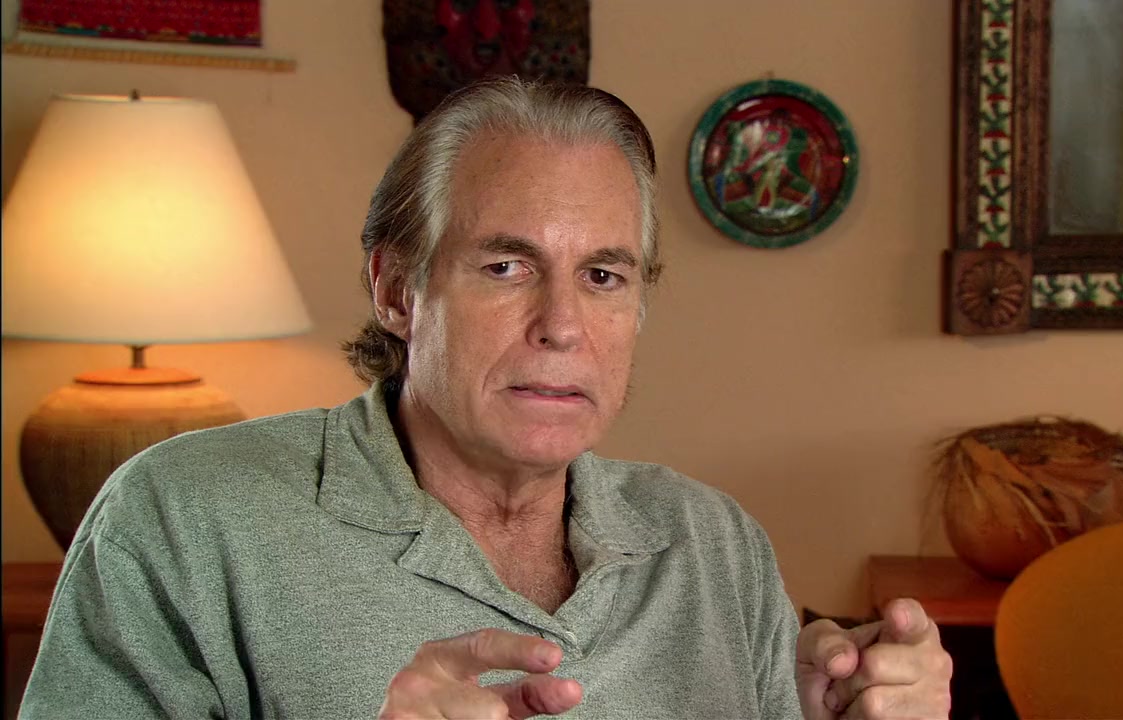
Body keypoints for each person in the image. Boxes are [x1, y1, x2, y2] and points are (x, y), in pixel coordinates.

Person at [20, 77, 952, 719]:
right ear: (396, 290)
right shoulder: (184, 518)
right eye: (506, 267)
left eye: (603, 275)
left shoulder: (713, 544)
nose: (562, 325)